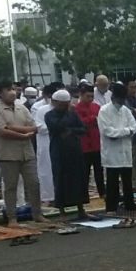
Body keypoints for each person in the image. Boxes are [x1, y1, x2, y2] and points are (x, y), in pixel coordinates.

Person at [0, 81, 46, 226]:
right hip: (8, 154)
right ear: (0, 93)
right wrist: (22, 133)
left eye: (13, 89)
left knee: (34, 184)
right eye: (8, 89)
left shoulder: (22, 108)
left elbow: (34, 127)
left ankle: (37, 214)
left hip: (27, 152)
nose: (12, 92)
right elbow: (1, 131)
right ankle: (12, 217)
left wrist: (13, 128)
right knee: (11, 187)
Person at [45, 88, 99, 220]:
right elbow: (56, 127)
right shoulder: (49, 115)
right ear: (55, 102)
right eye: (61, 104)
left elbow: (82, 129)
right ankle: (62, 212)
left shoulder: (72, 114)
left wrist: (70, 130)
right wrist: (67, 118)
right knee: (61, 179)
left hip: (75, 150)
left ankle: (81, 209)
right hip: (59, 151)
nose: (63, 106)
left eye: (65, 104)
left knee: (79, 179)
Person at [98, 83, 136, 226]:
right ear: (114, 97)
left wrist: (123, 131)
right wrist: (125, 131)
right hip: (112, 151)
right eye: (120, 98)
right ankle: (111, 206)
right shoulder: (104, 111)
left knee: (127, 180)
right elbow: (108, 132)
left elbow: (134, 127)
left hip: (125, 150)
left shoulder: (125, 110)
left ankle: (129, 204)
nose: (122, 101)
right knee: (112, 182)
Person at [75, 84, 105, 201]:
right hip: (84, 145)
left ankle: (103, 192)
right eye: (88, 96)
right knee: (84, 173)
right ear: (81, 95)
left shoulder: (96, 107)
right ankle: (84, 196)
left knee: (99, 171)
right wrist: (92, 119)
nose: (90, 99)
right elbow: (79, 123)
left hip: (97, 143)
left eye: (92, 96)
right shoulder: (76, 108)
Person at [31, 86, 56, 206]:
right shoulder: (41, 109)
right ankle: (47, 196)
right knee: (46, 170)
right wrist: (56, 127)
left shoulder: (65, 109)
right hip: (45, 144)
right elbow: (39, 127)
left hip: (59, 144)